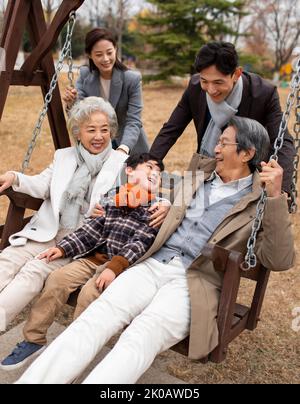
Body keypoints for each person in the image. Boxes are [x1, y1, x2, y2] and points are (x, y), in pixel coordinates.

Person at [16, 117, 295, 384]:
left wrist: (274, 198)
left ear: (246, 154)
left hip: (195, 280)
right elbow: (150, 189)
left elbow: (279, 259)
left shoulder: (259, 200)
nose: (216, 148)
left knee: (142, 334)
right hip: (152, 264)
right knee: (96, 317)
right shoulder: (199, 175)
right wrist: (129, 202)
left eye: (224, 144)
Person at [0, 154, 164, 370]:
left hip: (118, 267)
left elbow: (140, 243)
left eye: (159, 173)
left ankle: (71, 355)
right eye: (149, 167)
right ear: (129, 171)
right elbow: (90, 231)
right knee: (57, 280)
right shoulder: (112, 197)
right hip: (91, 259)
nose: (154, 173)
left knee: (88, 295)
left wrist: (114, 269)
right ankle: (34, 339)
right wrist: (62, 248)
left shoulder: (155, 209)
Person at [0, 96, 130, 333]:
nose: (99, 136)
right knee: (9, 258)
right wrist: (15, 177)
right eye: (91, 130)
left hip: (80, 241)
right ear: (78, 132)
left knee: (34, 270)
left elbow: (134, 198)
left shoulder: (120, 163)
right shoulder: (64, 157)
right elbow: (42, 184)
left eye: (104, 129)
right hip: (49, 230)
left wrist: (111, 209)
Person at [149, 41, 296, 194]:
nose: (211, 90)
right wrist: (150, 163)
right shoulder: (195, 88)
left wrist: (283, 190)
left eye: (218, 82)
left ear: (236, 74)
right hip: (205, 166)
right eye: (204, 81)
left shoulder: (263, 93)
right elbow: (172, 129)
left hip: (246, 174)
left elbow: (282, 141)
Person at [63, 27, 149, 155]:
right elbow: (80, 117)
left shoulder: (132, 79)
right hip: (97, 145)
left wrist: (123, 149)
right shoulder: (85, 76)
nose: (105, 59)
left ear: (116, 49)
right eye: (99, 54)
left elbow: (134, 120)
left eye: (109, 52)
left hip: (128, 145)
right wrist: (71, 104)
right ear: (89, 55)